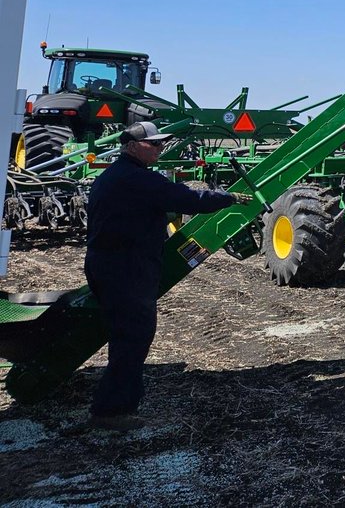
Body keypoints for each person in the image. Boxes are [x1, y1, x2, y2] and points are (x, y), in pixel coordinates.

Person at [84, 120, 251, 430]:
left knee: (126, 336)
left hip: (109, 264)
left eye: (161, 144)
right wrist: (227, 198)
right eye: (154, 144)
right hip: (126, 269)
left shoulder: (115, 176)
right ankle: (110, 412)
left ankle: (114, 405)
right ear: (132, 146)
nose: (160, 149)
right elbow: (188, 199)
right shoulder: (137, 180)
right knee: (132, 338)